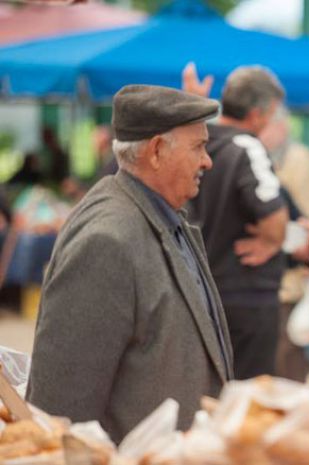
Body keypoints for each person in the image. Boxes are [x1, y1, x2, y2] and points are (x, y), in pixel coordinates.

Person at [27, 85, 233, 442]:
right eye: (199, 146)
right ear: (156, 152)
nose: (207, 160)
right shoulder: (106, 240)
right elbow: (62, 406)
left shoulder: (157, 213)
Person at [186, 65, 289, 381]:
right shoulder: (246, 146)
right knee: (250, 399)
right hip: (247, 297)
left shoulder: (198, 140)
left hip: (201, 291)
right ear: (258, 113)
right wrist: (272, 240)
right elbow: (273, 211)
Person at [259, 104, 309, 382]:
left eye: (265, 127)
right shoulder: (265, 159)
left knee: (288, 371)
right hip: (272, 286)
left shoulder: (299, 159)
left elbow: (306, 227)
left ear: (281, 126)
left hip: (292, 286)